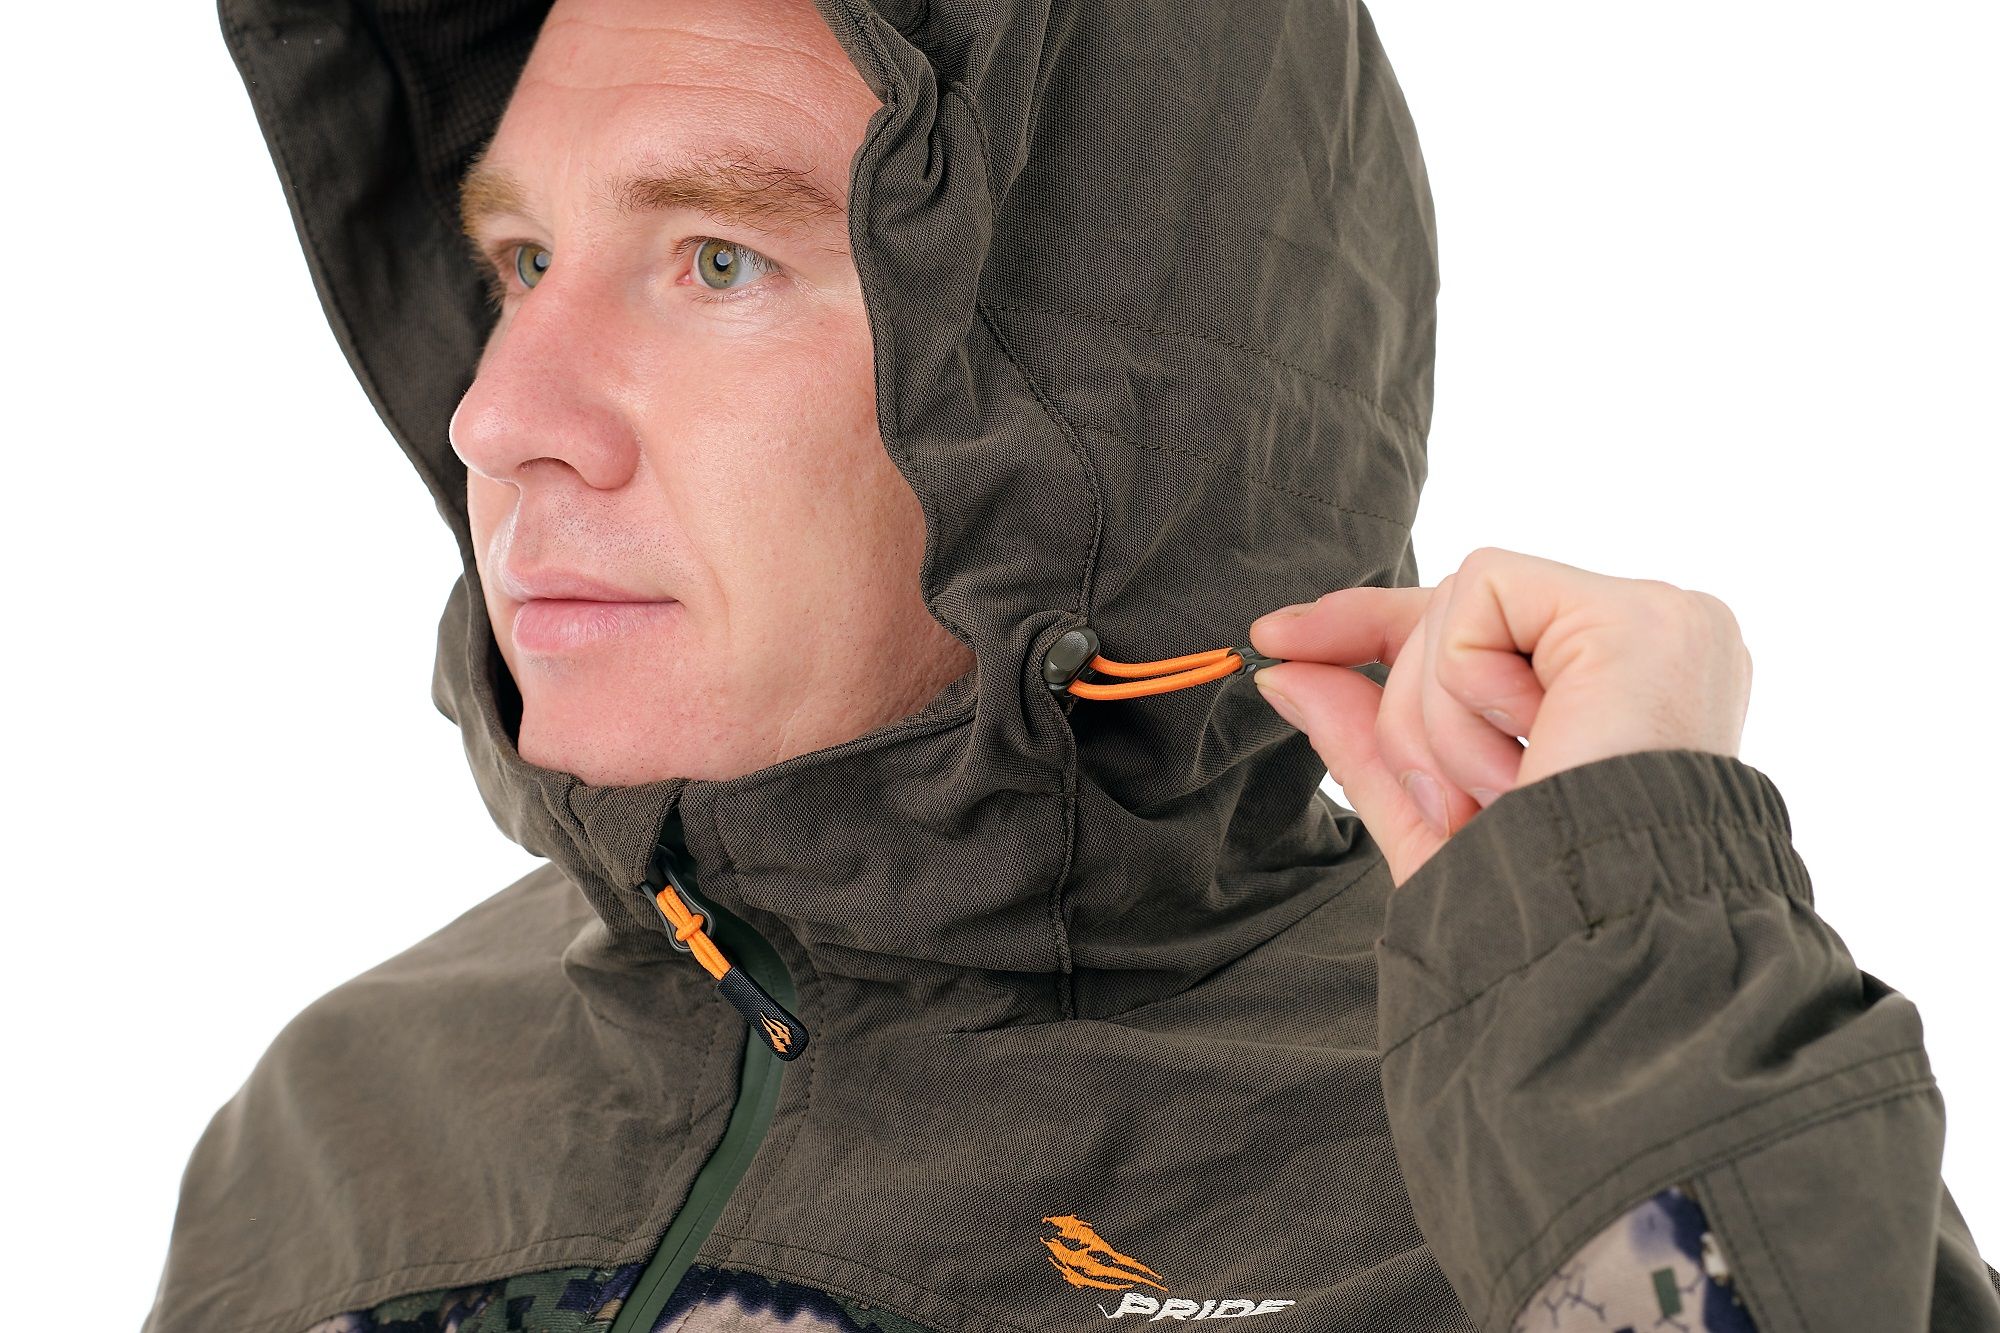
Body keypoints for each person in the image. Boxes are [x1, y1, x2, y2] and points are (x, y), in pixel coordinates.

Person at [147, 0, 1999, 1328]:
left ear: (1104, 377)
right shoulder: (342, 1122)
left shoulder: (1504, 1141)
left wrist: (1622, 978)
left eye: (717, 261)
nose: (495, 416)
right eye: (522, 257)